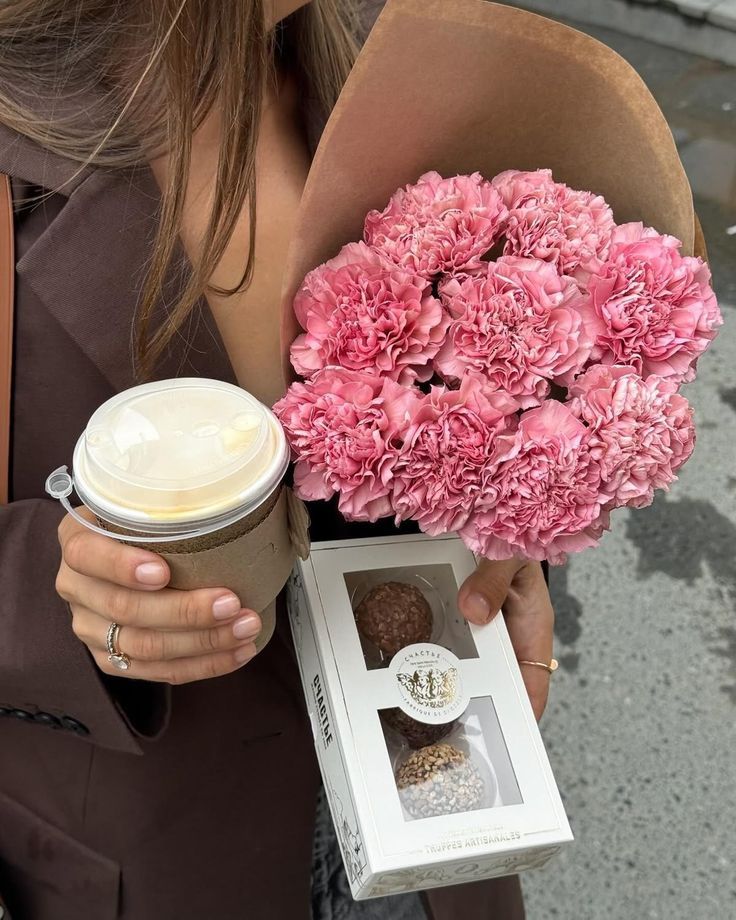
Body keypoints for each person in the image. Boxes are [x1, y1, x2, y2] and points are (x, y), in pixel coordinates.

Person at [0, 1, 555, 917]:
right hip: (166, 842)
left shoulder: (396, 55)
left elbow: (490, 383)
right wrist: (73, 599)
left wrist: (506, 523)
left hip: (436, 788)